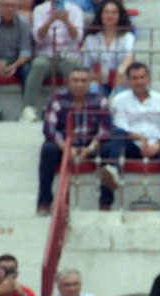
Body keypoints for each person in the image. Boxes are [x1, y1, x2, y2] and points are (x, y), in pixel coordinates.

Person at [102, 62, 160, 208]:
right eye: (134, 78)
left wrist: (157, 145)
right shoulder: (120, 100)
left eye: (142, 77)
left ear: (148, 79)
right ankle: (113, 175)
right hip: (131, 145)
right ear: (128, 81)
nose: (139, 81)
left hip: (156, 144)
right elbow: (120, 126)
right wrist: (140, 138)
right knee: (115, 138)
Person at [38, 67, 112, 214]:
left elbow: (106, 128)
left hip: (90, 146)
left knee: (110, 148)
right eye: (75, 80)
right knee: (47, 149)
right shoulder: (58, 99)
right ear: (68, 82)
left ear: (90, 82)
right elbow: (49, 129)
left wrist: (91, 147)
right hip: (65, 145)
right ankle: (44, 202)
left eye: (84, 81)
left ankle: (105, 203)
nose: (79, 84)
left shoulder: (100, 99)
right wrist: (65, 147)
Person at [21, 0, 83, 123]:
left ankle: (75, 108)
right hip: (46, 54)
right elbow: (37, 37)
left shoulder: (75, 10)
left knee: (75, 69)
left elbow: (78, 38)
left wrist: (66, 21)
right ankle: (28, 109)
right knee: (38, 65)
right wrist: (50, 21)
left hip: (68, 55)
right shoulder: (39, 10)